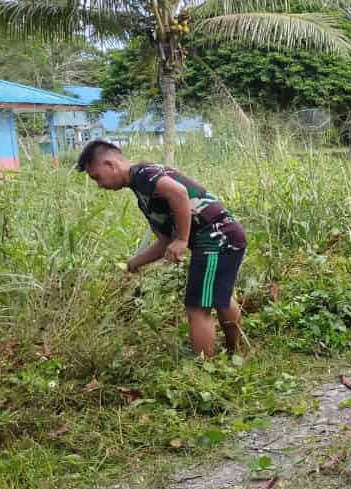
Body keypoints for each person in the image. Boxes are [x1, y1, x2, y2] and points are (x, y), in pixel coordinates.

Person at [76, 140, 246, 357]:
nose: (99, 185)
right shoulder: (142, 192)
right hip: (223, 235)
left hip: (216, 236)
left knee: (197, 308)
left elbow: (179, 193)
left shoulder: (143, 173)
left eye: (96, 177)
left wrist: (183, 239)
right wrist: (134, 263)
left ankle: (206, 369)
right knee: (220, 297)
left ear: (110, 164)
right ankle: (236, 353)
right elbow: (166, 240)